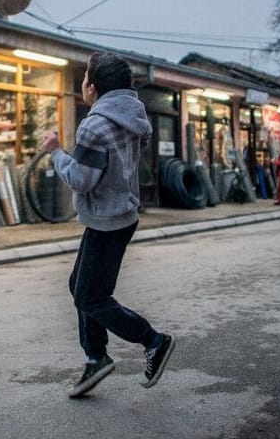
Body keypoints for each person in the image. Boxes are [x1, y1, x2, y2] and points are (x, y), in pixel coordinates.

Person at [41, 52, 175, 398]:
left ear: (93, 87)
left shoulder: (94, 124)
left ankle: (153, 341)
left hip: (105, 220)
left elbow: (81, 180)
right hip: (122, 214)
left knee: (91, 296)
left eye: (85, 78)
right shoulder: (133, 116)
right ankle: (95, 357)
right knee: (80, 287)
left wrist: (56, 152)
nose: (83, 84)